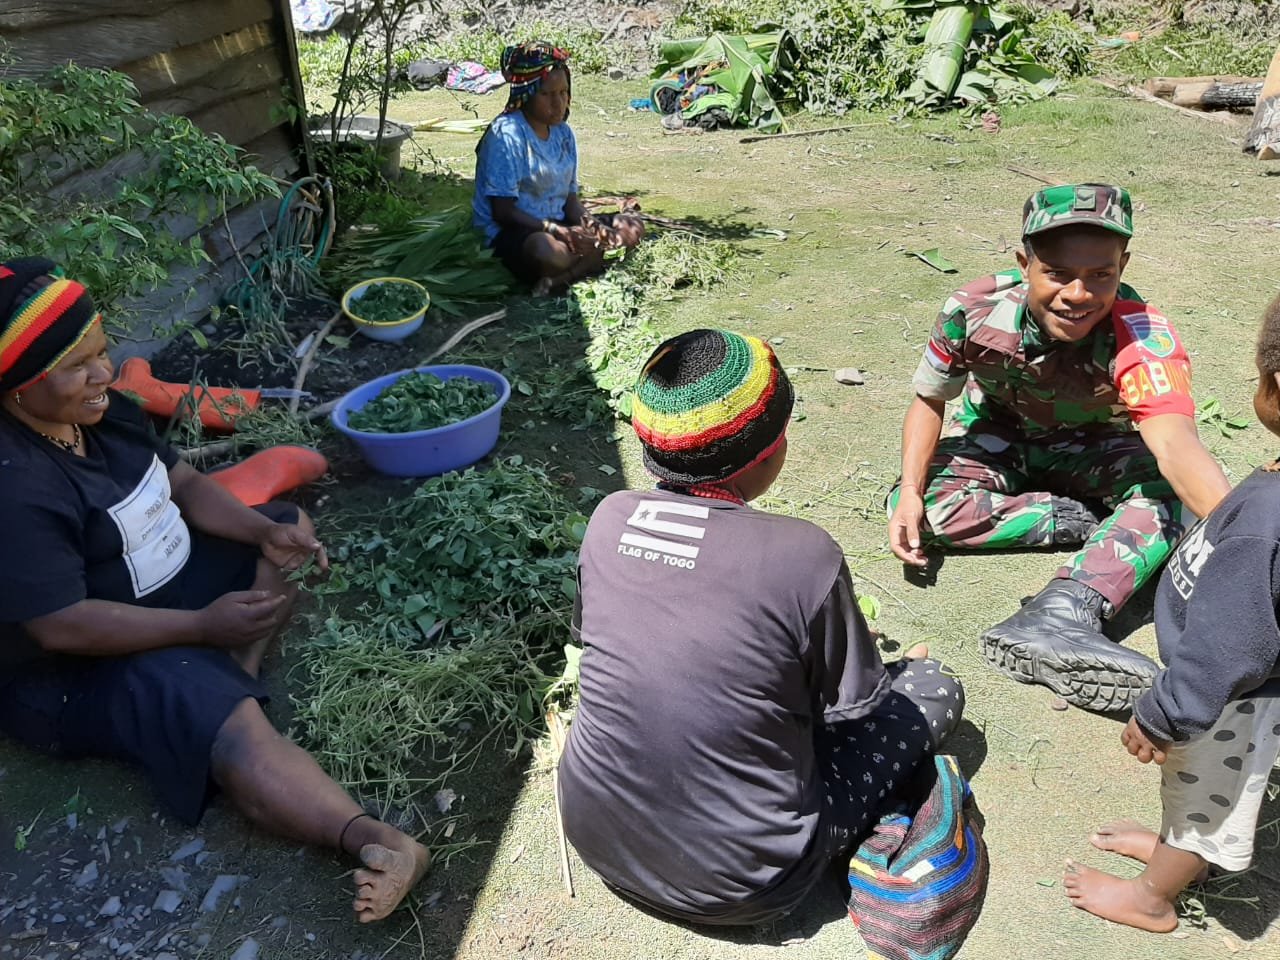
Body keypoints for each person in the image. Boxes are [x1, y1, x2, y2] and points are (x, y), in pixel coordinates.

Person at [0, 259, 429, 923]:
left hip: (166, 592)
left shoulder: (103, 413)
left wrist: (262, 531)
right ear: (21, 384)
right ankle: (378, 840)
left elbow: (188, 486)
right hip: (83, 662)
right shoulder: (16, 486)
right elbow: (60, 624)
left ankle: (233, 670)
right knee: (220, 718)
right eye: (77, 366)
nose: (104, 374)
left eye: (102, 352)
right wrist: (201, 626)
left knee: (288, 528)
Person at [559, 328, 964, 925]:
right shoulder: (803, 556)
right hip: (748, 886)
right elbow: (848, 712)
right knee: (932, 685)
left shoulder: (608, 517)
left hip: (597, 840)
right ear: (772, 447)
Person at [887, 184, 1231, 713]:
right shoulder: (972, 310)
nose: (1078, 294)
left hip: (1098, 451)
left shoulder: (1141, 334)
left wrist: (1245, 548)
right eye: (1057, 273)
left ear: (1123, 266)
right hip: (999, 441)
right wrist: (912, 490)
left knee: (1174, 497)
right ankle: (1091, 522)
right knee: (915, 510)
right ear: (1024, 264)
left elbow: (1176, 444)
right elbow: (929, 399)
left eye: (1100, 275)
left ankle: (1067, 608)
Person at [1062, 292, 1280, 932]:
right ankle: (1171, 851)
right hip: (1234, 686)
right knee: (1202, 790)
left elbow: (1230, 645)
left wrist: (1166, 712)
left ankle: (1154, 895)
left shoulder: (1268, 522)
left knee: (1203, 797)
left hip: (1233, 699)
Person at [471, 41, 643, 295]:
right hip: (515, 232)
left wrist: (594, 227)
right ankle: (587, 264)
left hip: (559, 223)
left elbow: (570, 201)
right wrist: (558, 231)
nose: (558, 103)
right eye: (547, 94)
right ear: (527, 93)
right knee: (547, 252)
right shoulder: (507, 134)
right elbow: (503, 212)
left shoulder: (563, 134)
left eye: (563, 92)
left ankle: (560, 278)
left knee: (632, 227)